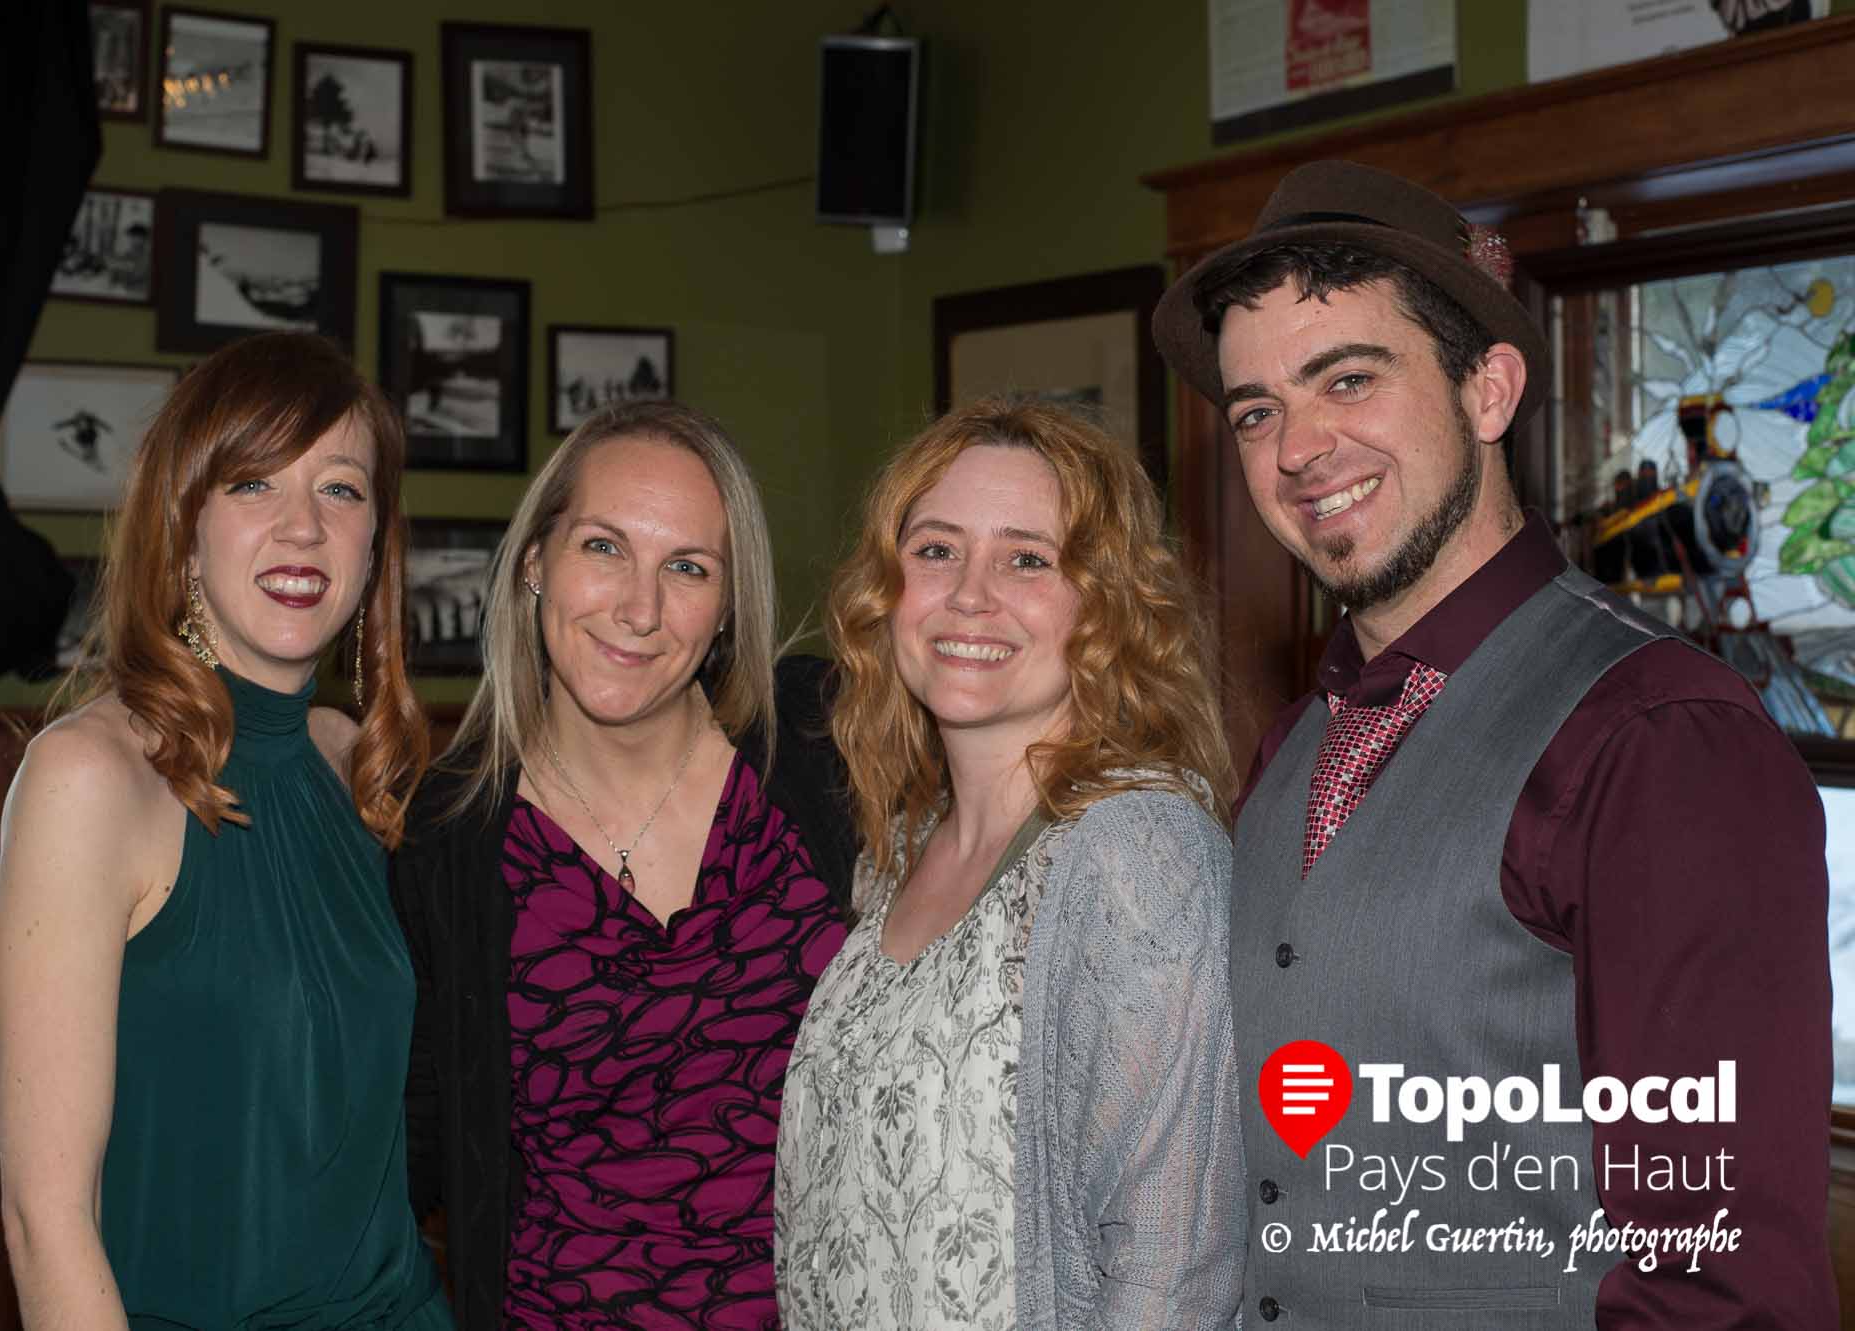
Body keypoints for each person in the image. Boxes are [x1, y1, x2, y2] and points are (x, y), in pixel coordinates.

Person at [1152, 159, 1835, 1325]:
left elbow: (1719, 1280)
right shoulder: (1288, 750)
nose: (1296, 447)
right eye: (1255, 409)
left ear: (1487, 389)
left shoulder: (1659, 739)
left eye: (1348, 379)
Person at [0, 332, 448, 1329]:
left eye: (340, 488)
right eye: (251, 484)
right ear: (183, 524)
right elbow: (44, 1219)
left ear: (376, 543)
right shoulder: (90, 777)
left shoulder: (353, 765)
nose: (302, 527)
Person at [775, 398, 1247, 1331]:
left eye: (1027, 558)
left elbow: (1171, 1265)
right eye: (936, 549)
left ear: (1105, 606)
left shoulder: (1134, 855)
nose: (969, 594)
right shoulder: (902, 846)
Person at [390, 400, 854, 1331]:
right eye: (604, 547)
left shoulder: (824, 750)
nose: (639, 609)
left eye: (687, 567)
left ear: (727, 607)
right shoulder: (448, 840)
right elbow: (402, 1158)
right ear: (534, 561)